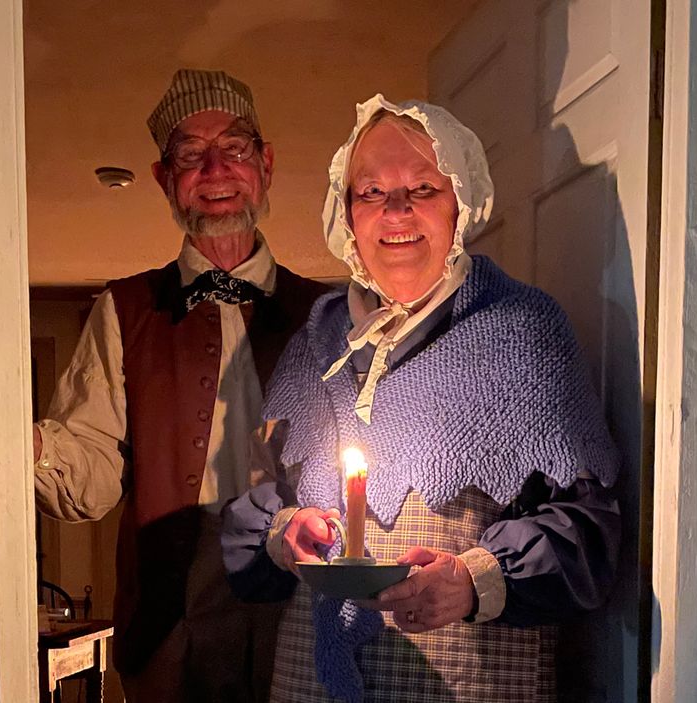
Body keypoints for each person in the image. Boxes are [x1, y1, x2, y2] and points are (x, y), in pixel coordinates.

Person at [221, 95, 622, 702]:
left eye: (423, 189)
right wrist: (285, 531)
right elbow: (257, 497)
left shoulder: (523, 331)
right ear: (347, 213)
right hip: (313, 681)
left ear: (461, 202)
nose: (396, 210)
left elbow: (591, 532)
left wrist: (473, 580)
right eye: (372, 192)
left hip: (469, 679)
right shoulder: (317, 342)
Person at [33, 69, 330, 702]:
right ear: (165, 179)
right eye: (190, 155)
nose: (216, 168)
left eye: (236, 147)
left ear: (266, 164)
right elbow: (90, 478)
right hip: (168, 629)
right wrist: (19, 440)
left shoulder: (331, 313)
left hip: (301, 620)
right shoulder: (124, 309)